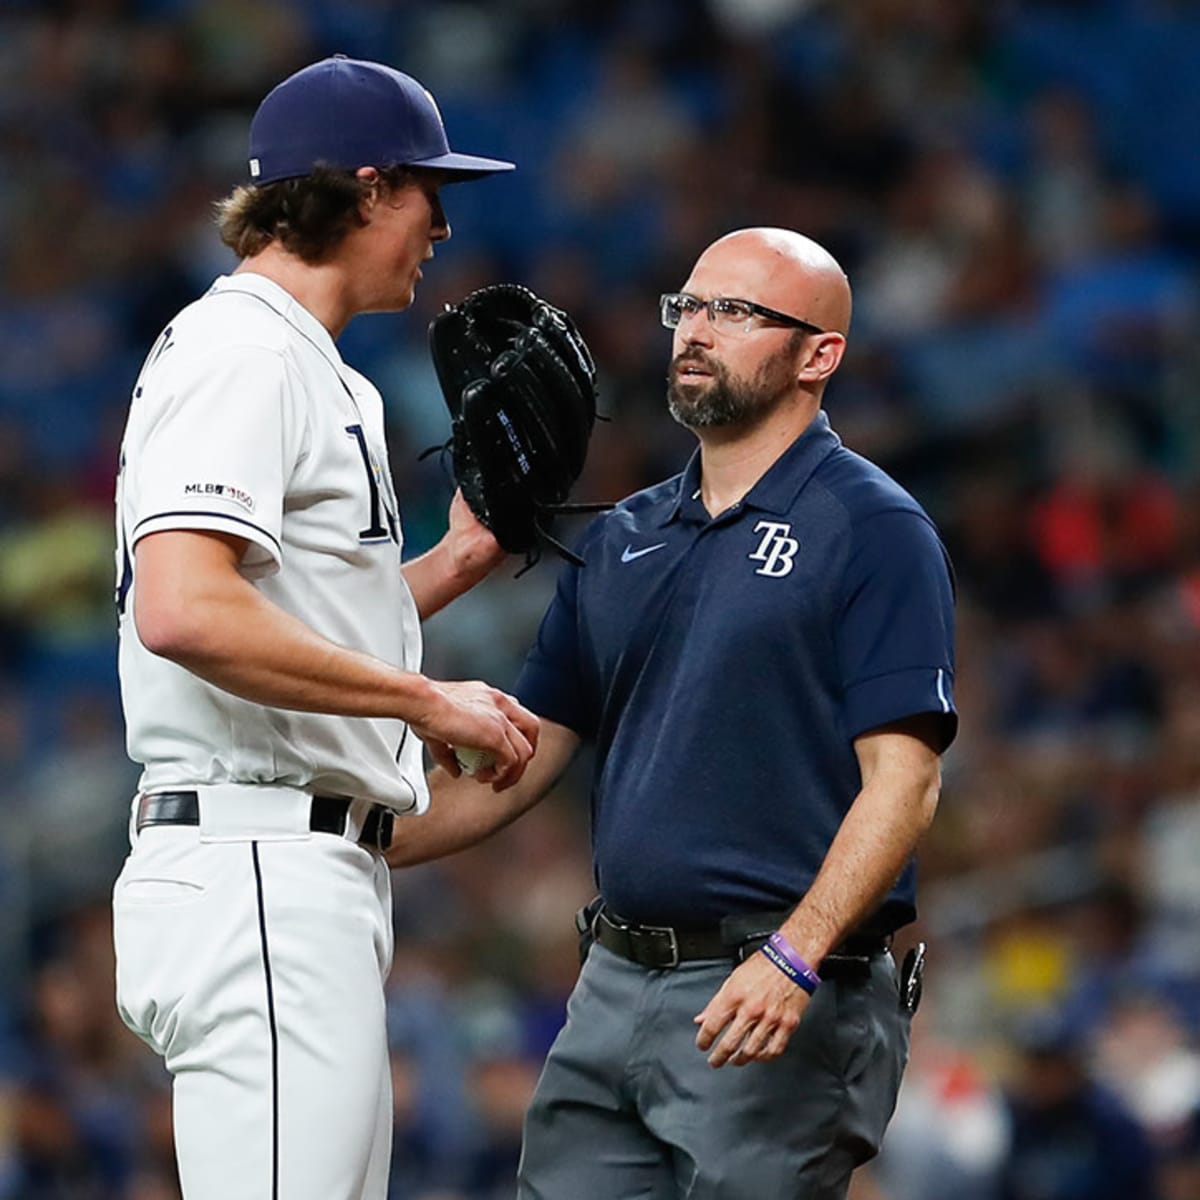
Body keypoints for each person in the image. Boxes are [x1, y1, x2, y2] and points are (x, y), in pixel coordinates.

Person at [388, 226, 958, 1198]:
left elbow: (904, 785)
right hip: (613, 980)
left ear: (819, 354)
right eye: (688, 306)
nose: (696, 331)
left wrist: (795, 955)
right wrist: (339, 844)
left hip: (776, 983)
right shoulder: (621, 538)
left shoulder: (871, 528)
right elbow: (511, 764)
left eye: (736, 311)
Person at [110, 56, 540, 1200]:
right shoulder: (245, 350)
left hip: (302, 868)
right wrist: (422, 699)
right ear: (360, 189)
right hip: (255, 856)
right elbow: (184, 607)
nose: (442, 222)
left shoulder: (313, 367)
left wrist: (453, 563)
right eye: (423, 189)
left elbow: (289, 610)